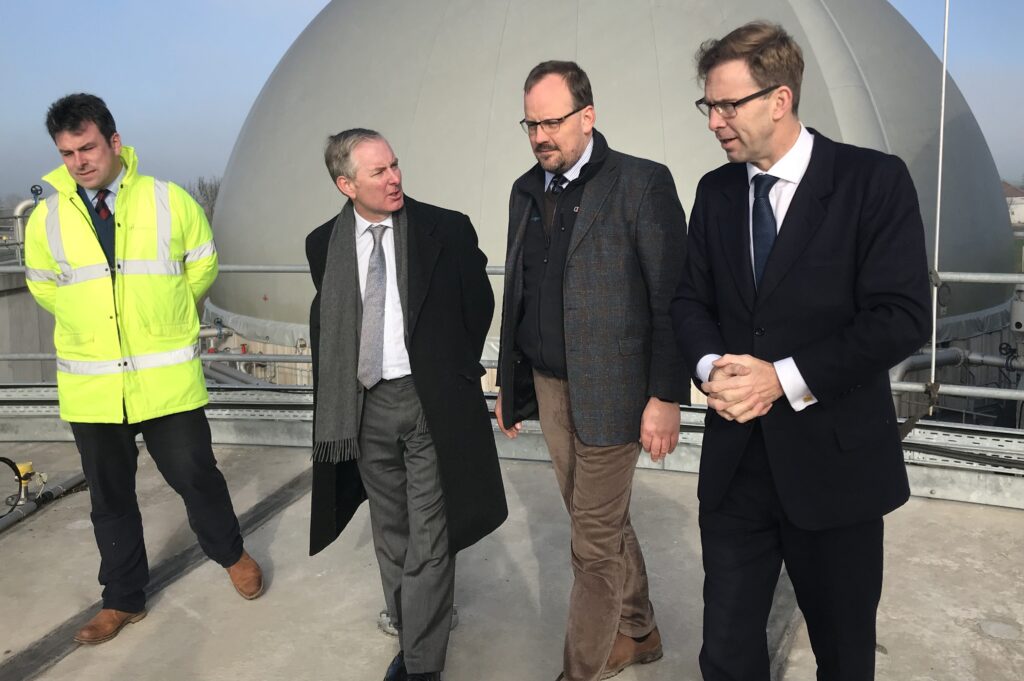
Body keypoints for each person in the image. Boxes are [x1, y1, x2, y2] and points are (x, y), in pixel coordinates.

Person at [671, 22, 931, 681]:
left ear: (780, 99)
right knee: (725, 654)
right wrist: (712, 368)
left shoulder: (872, 181)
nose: (715, 122)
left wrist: (781, 379)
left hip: (835, 470)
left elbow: (900, 317)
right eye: (709, 106)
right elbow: (689, 301)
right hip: (737, 469)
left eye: (728, 105)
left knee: (843, 656)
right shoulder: (716, 192)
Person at [23, 93, 263, 646]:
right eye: (67, 153)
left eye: (87, 148)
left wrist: (167, 317)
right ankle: (122, 599)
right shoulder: (47, 217)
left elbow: (202, 263)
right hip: (93, 386)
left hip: (165, 380)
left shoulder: (168, 199)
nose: (79, 162)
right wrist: (92, 325)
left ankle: (231, 555)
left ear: (114, 142)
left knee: (196, 476)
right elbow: (44, 286)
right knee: (109, 498)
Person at [495, 61, 688, 681]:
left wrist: (665, 396)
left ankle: (582, 667)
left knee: (591, 544)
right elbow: (519, 291)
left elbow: (670, 298)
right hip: (549, 386)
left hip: (615, 392)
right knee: (596, 519)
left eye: (552, 122)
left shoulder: (641, 183)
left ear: (588, 116)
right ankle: (640, 629)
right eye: (531, 124)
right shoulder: (526, 190)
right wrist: (509, 386)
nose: (540, 136)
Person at [306, 128, 507, 681]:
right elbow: (335, 324)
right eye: (379, 172)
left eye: (395, 165)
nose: (395, 178)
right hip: (363, 406)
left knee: (432, 534)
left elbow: (478, 305)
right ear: (346, 185)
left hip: (428, 401)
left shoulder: (445, 228)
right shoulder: (323, 244)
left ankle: (421, 664)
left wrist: (449, 369)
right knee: (390, 527)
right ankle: (410, 621)